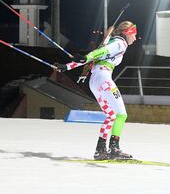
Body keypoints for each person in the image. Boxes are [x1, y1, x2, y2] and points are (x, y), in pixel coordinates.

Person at [54, 21, 138, 160]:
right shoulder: (120, 43)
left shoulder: (111, 42)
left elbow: (94, 55)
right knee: (121, 115)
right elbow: (100, 52)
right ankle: (114, 149)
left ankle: (100, 150)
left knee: (111, 115)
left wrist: (66, 67)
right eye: (134, 35)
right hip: (104, 80)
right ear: (127, 33)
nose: (135, 39)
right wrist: (87, 57)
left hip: (95, 82)